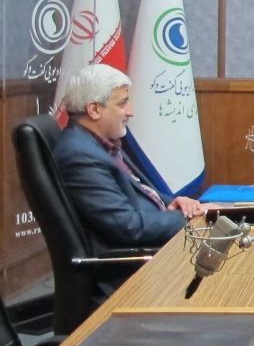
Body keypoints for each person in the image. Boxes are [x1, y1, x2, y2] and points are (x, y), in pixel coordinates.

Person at [52, 64, 212, 259]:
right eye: (122, 104)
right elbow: (128, 227)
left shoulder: (101, 143)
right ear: (94, 109)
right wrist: (189, 218)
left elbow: (138, 192)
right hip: (136, 265)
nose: (131, 112)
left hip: (160, 245)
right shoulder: (80, 156)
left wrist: (176, 203)